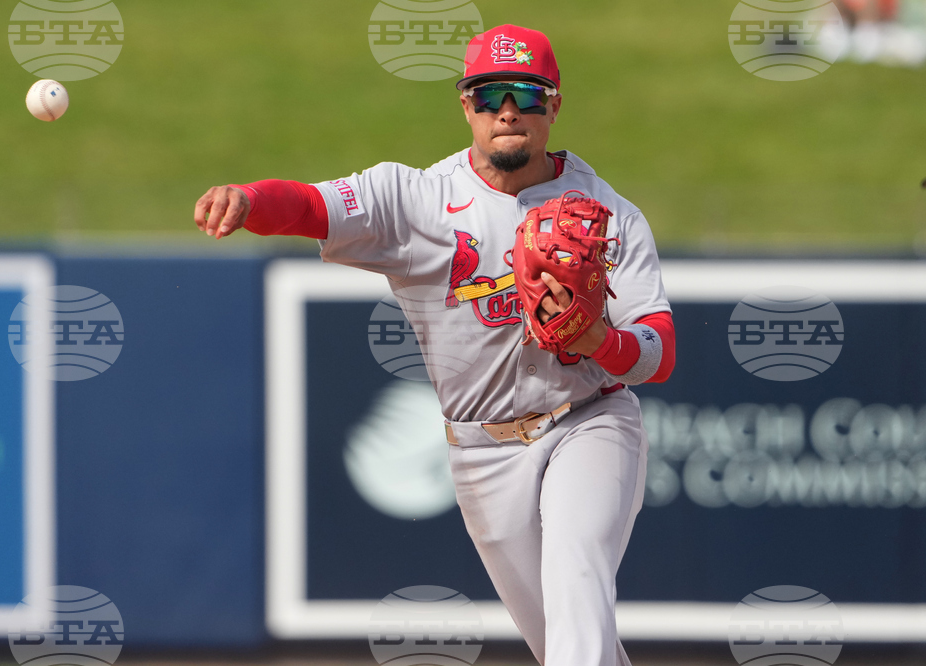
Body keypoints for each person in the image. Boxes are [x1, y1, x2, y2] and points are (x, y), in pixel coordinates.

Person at [194, 24, 675, 666]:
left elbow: (658, 351)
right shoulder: (416, 199)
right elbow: (312, 207)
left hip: (588, 421)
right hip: (482, 450)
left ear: (554, 106)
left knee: (576, 568)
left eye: (528, 95)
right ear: (466, 105)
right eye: (490, 94)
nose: (509, 110)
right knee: (561, 638)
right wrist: (248, 199)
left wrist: (601, 340)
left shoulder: (606, 212)